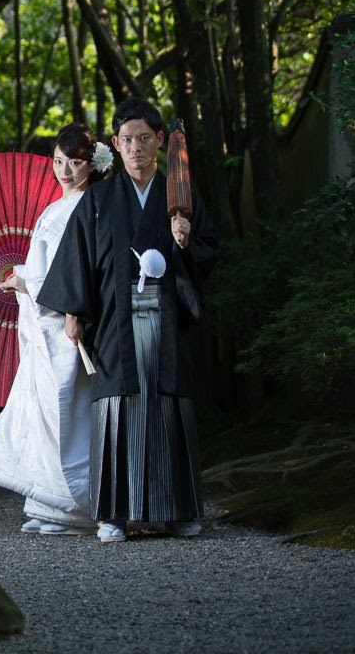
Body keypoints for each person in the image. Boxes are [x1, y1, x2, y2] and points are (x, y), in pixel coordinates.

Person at [37, 98, 220, 543]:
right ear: (115, 145)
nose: (136, 147)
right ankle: (113, 515)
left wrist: (185, 241)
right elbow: (78, 258)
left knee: (168, 406)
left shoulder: (180, 196)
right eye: (127, 140)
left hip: (166, 318)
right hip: (114, 320)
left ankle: (178, 512)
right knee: (117, 410)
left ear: (160, 140)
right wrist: (75, 312)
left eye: (144, 138)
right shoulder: (98, 199)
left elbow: (209, 250)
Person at [0, 124, 112, 536]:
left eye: (75, 162)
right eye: (58, 161)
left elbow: (76, 273)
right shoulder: (55, 208)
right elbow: (46, 267)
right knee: (44, 414)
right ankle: (45, 502)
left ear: (94, 164)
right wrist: (24, 278)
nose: (64, 170)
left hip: (65, 324)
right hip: (42, 326)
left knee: (66, 412)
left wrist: (26, 282)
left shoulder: (91, 207)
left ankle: (76, 509)